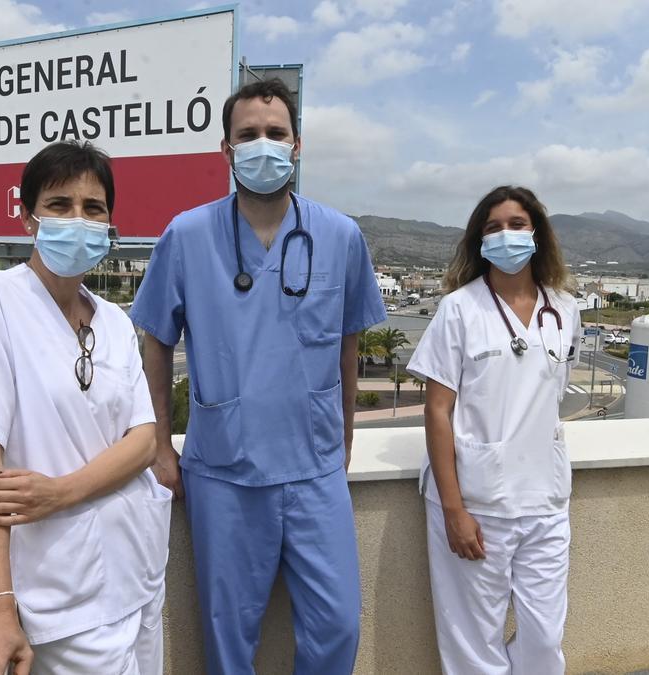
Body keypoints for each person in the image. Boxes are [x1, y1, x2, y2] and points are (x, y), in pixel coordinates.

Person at [130, 78, 387, 674]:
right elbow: (156, 340)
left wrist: (344, 436)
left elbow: (349, 345)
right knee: (227, 636)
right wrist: (159, 444)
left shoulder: (341, 236)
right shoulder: (187, 235)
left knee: (339, 624)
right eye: (249, 135)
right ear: (226, 149)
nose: (263, 145)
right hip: (222, 469)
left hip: (315, 467)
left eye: (276, 134)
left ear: (297, 146)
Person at [0, 141, 171, 675]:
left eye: (93, 207)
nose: (77, 219)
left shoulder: (114, 321)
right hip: (64, 591)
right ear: (28, 216)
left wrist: (61, 491)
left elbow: (145, 440)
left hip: (140, 571)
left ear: (109, 223)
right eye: (59, 205)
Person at [407, 185, 580, 675]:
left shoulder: (564, 309)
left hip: (545, 501)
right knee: (472, 646)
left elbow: (550, 398)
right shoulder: (459, 309)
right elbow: (437, 411)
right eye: (493, 227)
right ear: (478, 241)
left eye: (517, 224)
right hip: (476, 502)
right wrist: (454, 510)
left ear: (537, 234)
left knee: (544, 639)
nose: (506, 235)